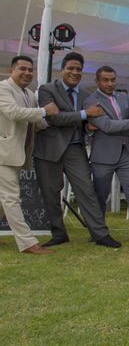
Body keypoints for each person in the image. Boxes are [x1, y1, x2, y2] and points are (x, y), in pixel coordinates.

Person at [34, 52, 122, 248]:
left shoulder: (85, 94)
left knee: (86, 191)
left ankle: (100, 234)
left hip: (75, 149)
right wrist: (84, 114)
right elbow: (53, 118)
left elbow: (79, 119)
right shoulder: (46, 89)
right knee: (50, 193)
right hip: (48, 149)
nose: (74, 72)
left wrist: (87, 125)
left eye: (78, 69)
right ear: (62, 69)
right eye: (70, 68)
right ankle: (58, 234)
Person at [84, 66, 129, 245]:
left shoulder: (123, 97)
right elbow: (107, 126)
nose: (110, 83)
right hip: (103, 155)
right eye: (105, 80)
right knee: (101, 196)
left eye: (113, 80)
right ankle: (98, 233)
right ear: (97, 81)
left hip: (127, 152)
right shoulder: (91, 101)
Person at [0, 56, 58, 254]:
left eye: (30, 69)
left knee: (4, 199)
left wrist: (60, 121)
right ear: (11, 70)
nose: (27, 73)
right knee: (11, 198)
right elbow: (14, 113)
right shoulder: (3, 89)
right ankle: (27, 243)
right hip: (3, 153)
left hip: (19, 153)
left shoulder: (29, 94)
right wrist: (44, 110)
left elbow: (36, 123)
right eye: (22, 69)